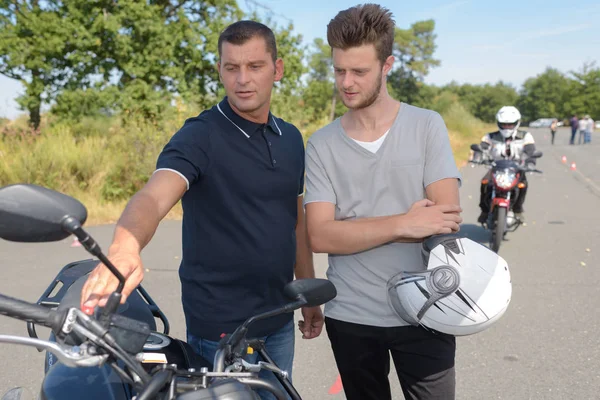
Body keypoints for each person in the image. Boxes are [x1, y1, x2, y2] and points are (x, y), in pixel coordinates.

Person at [79, 20, 323, 400]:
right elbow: (152, 197)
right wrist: (124, 247)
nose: (242, 79)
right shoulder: (201, 135)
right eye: (231, 67)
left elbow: (295, 223)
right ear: (220, 70)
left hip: (278, 319)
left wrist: (308, 297)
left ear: (277, 69)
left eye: (255, 66)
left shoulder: (290, 138)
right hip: (221, 330)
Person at [302, 4, 463, 400]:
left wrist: (355, 229)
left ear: (387, 65)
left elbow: (445, 218)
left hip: (427, 309)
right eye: (339, 70)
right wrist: (402, 224)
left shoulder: (426, 124)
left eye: (359, 72)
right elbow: (320, 235)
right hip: (351, 315)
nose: (347, 83)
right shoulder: (321, 144)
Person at [476, 106, 539, 224]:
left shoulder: (525, 136)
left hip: (517, 169)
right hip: (496, 167)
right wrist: (478, 156)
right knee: (485, 184)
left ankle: (518, 209)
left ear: (516, 123)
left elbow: (531, 151)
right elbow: (482, 147)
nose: (507, 127)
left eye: (510, 124)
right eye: (504, 124)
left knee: (523, 185)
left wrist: (530, 163)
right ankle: (484, 210)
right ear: (498, 123)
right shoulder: (490, 136)